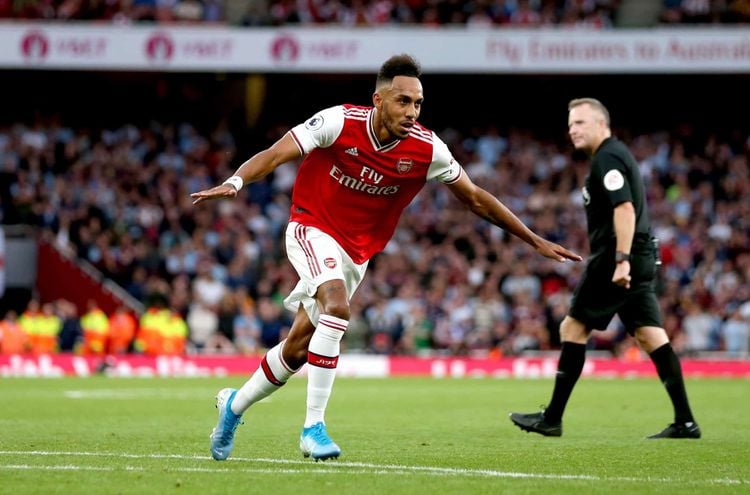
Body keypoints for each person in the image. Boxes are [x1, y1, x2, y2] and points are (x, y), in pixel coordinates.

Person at [191, 54, 582, 462]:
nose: (412, 111)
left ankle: (233, 407)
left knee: (295, 350)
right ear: (378, 100)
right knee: (337, 309)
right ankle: (313, 428)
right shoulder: (338, 122)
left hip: (355, 253)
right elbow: (277, 152)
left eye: (418, 103)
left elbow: (475, 198)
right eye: (402, 101)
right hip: (311, 227)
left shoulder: (428, 149)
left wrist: (533, 239)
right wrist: (236, 181)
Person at [509, 98, 700, 439]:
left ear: (601, 124)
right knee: (650, 334)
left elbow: (624, 209)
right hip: (639, 254)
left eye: (580, 123)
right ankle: (685, 421)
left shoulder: (608, 157)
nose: (573, 130)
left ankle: (552, 418)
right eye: (570, 124)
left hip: (617, 255)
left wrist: (621, 260)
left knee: (573, 328)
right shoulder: (613, 156)